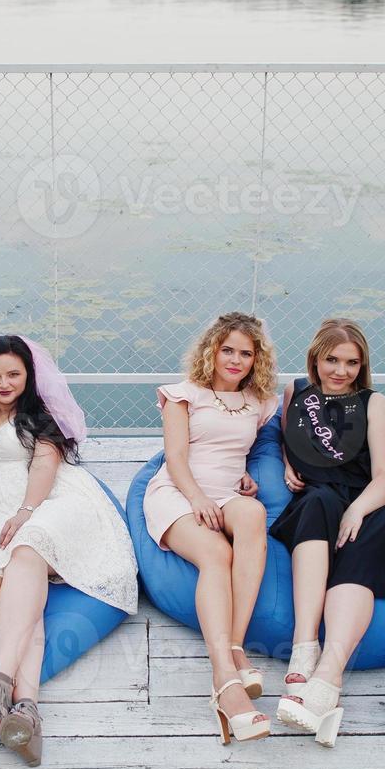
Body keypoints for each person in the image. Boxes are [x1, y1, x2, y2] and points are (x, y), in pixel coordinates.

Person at [0, 335, 138, 766]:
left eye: (14, 374)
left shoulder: (41, 415)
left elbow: (43, 464)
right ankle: (26, 706)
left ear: (29, 375)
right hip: (3, 506)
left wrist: (25, 511)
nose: (4, 383)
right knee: (25, 577)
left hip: (55, 499)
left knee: (30, 543)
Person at [272, 319, 385, 746]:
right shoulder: (295, 392)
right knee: (316, 506)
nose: (340, 371)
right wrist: (286, 465)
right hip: (322, 497)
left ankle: (327, 680)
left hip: (372, 499)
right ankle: (304, 648)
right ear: (315, 359)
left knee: (357, 552)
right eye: (332, 360)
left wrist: (357, 511)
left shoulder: (374, 404)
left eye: (352, 362)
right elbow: (289, 439)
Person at [143, 312, 280, 743]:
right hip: (179, 492)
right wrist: (197, 498)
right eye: (227, 350)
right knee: (218, 554)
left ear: (256, 359)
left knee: (255, 514)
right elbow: (177, 459)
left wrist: (247, 480)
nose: (236, 360)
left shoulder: (259, 403)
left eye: (245, 352)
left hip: (227, 493)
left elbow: (237, 453)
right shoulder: (184, 396)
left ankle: (235, 647)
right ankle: (224, 679)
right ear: (211, 351)